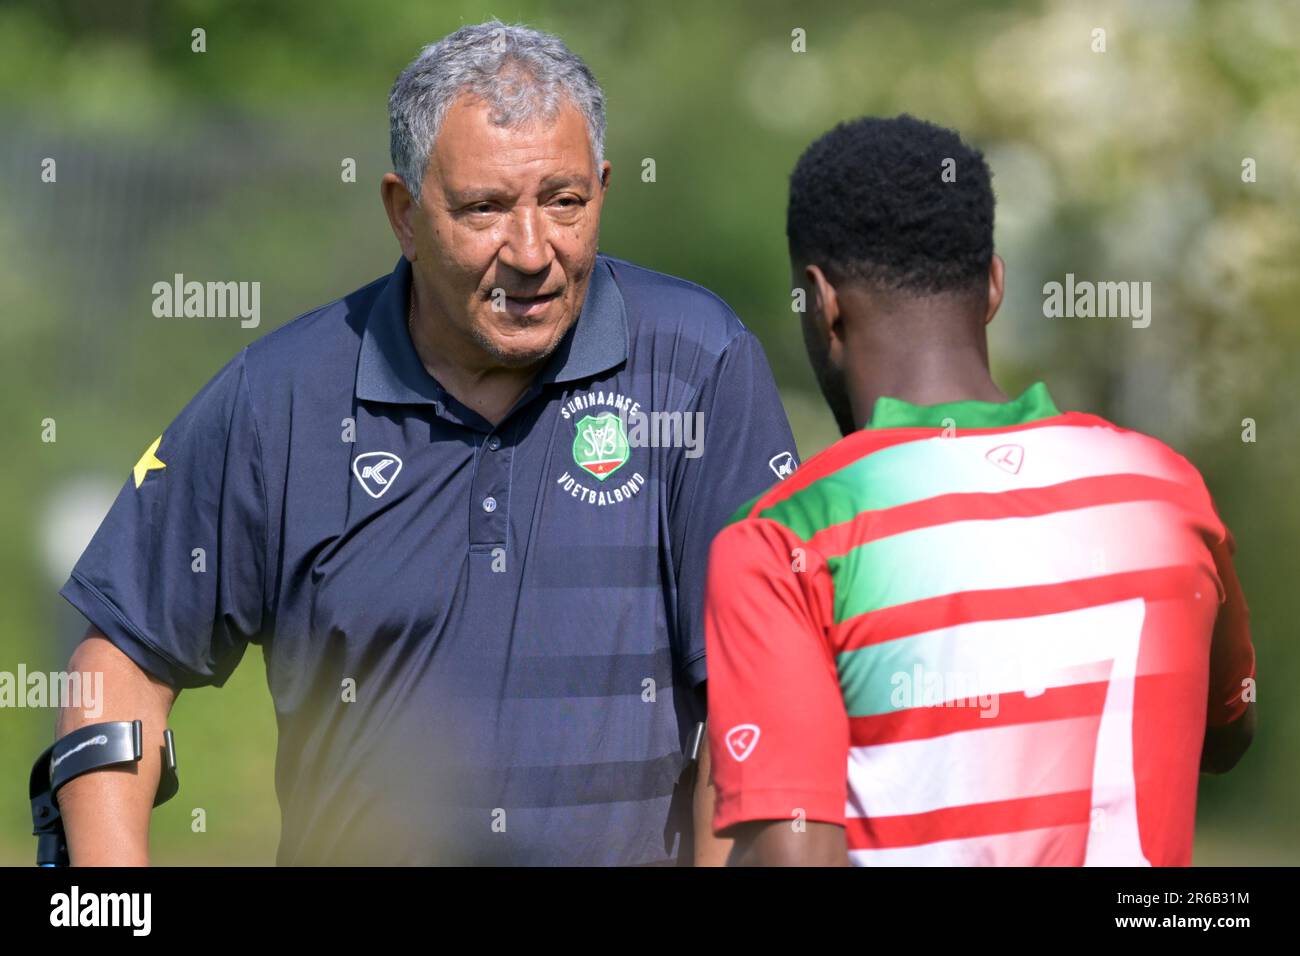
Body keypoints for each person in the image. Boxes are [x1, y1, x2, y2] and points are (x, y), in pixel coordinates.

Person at [53, 20, 798, 866]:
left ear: (602, 187)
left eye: (564, 201)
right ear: (404, 214)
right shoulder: (281, 399)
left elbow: (762, 697)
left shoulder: (697, 365)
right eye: (484, 208)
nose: (532, 252)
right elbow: (120, 657)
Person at [704, 114, 1256, 866]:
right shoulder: (1167, 495)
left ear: (821, 300)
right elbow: (1227, 732)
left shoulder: (785, 539)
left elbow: (794, 856)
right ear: (994, 285)